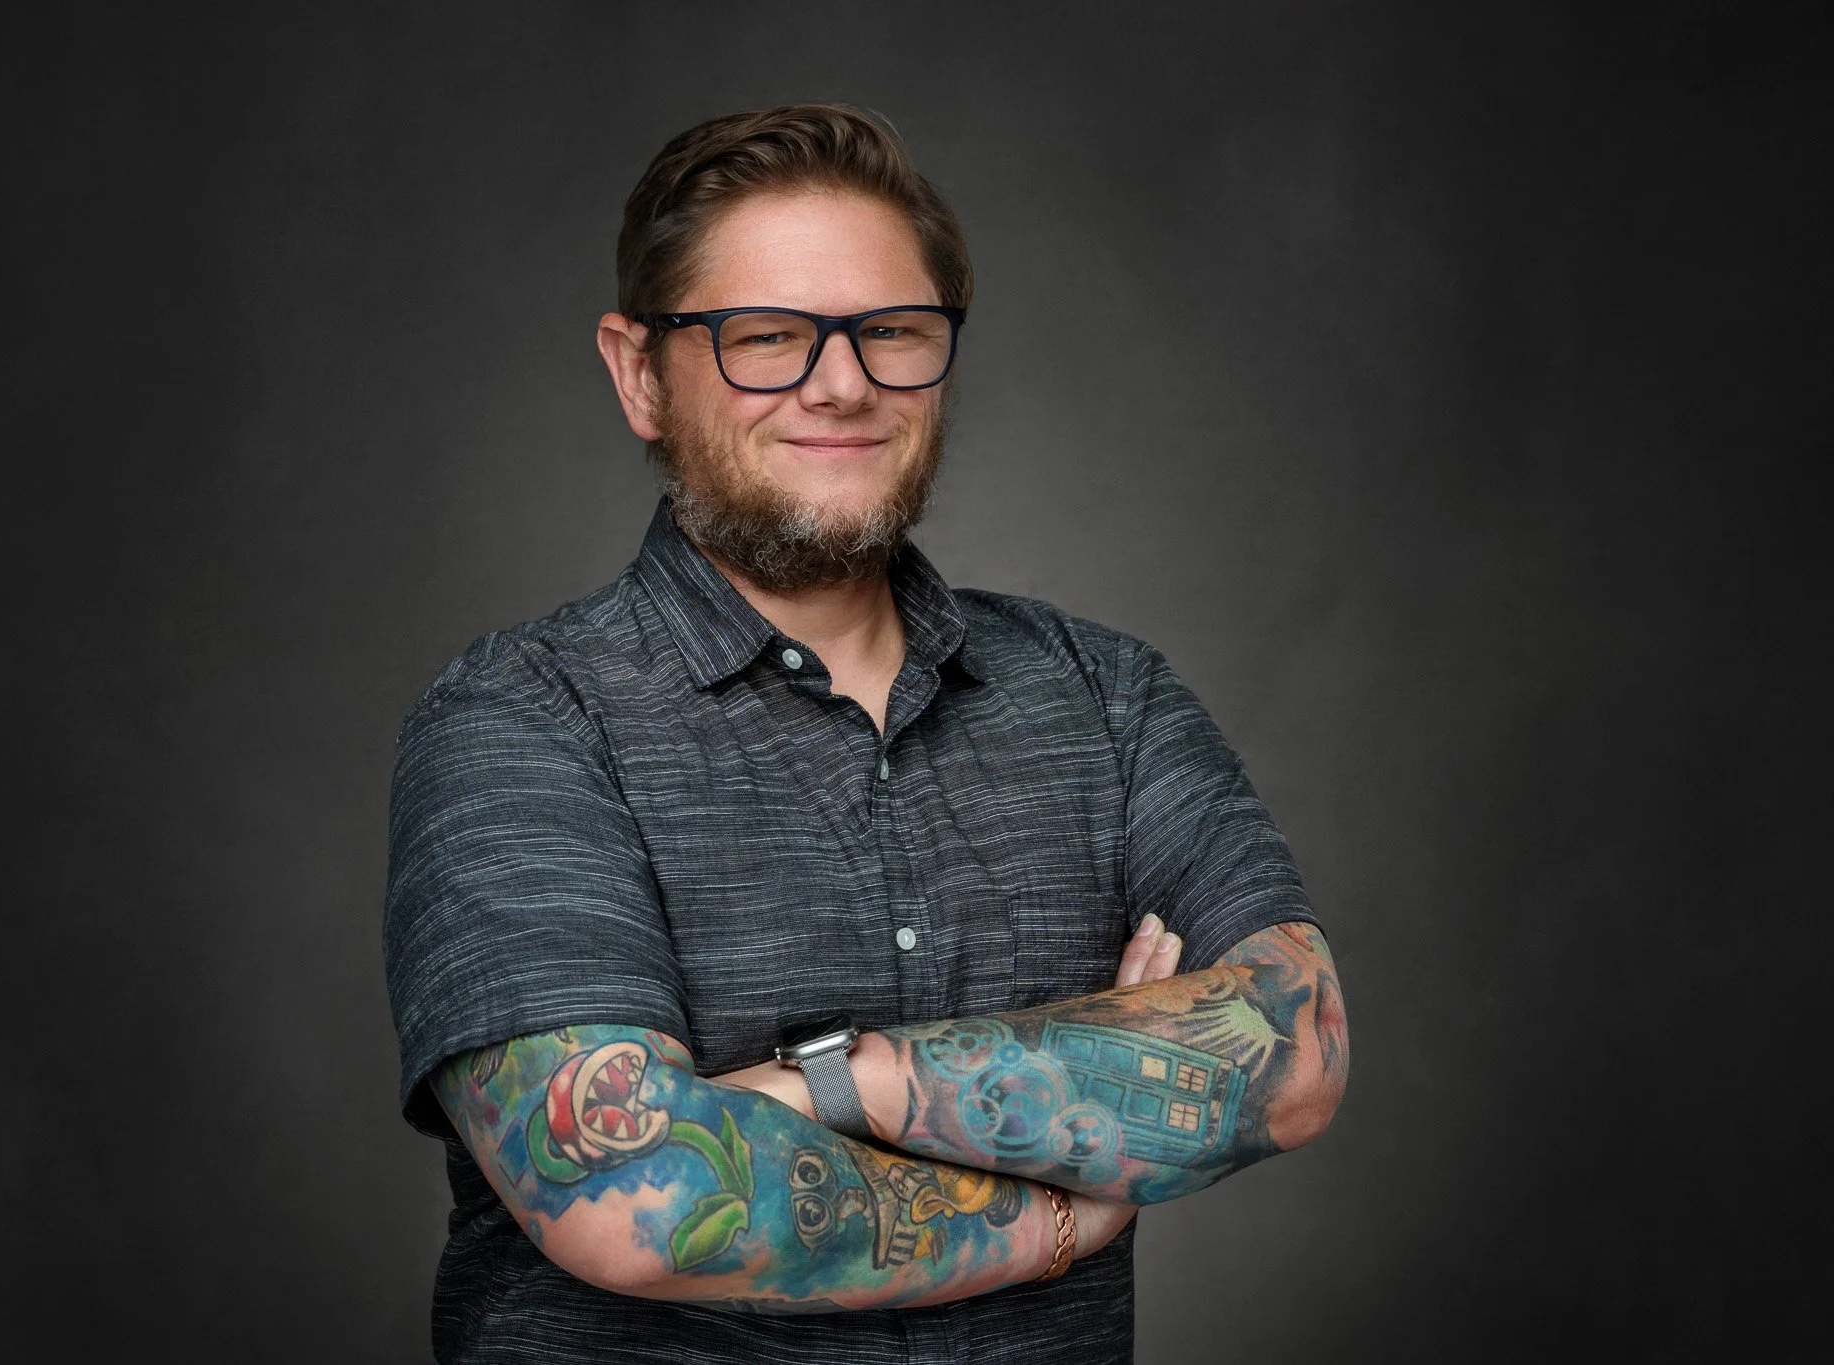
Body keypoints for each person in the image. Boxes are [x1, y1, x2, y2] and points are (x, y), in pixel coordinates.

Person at [383, 103, 1349, 1365]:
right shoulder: (518, 722)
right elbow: (634, 1201)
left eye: (890, 333)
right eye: (765, 338)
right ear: (638, 374)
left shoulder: (1106, 697)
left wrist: (842, 1082)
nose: (839, 383)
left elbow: (1293, 1052)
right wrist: (1065, 1212)